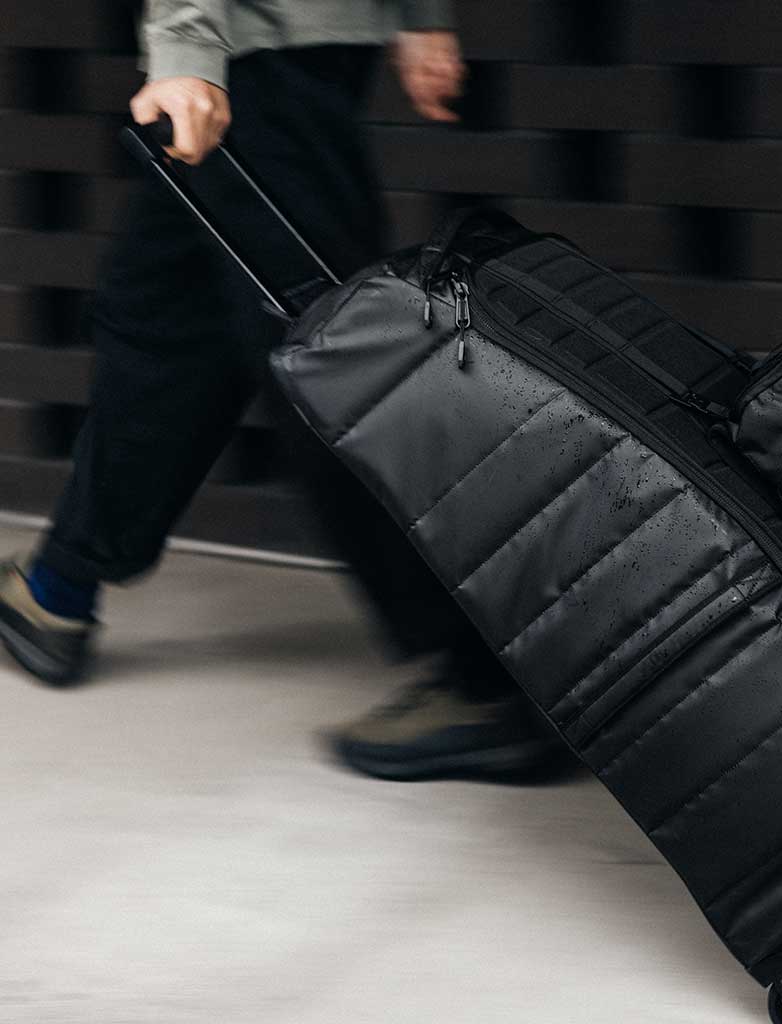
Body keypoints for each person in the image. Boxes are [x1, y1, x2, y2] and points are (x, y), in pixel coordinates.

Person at [0, 0, 565, 782]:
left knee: (330, 365)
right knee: (164, 321)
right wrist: (421, 13)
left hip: (246, 54)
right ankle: (60, 584)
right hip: (282, 44)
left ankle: (484, 682)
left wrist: (186, 45)